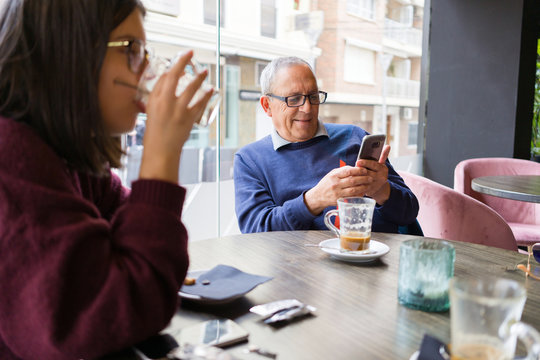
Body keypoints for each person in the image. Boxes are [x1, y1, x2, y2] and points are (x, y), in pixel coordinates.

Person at [0, 1, 213, 359]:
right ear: (70, 50)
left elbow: (136, 246)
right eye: (132, 49)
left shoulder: (65, 157)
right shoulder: (10, 157)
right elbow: (123, 309)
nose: (146, 68)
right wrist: (161, 155)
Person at [234, 57, 419, 233]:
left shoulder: (354, 137)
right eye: (294, 99)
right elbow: (256, 229)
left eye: (313, 96)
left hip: (373, 256)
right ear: (267, 105)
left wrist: (382, 190)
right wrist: (313, 200)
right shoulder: (250, 160)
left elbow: (410, 211)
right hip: (299, 263)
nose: (307, 108)